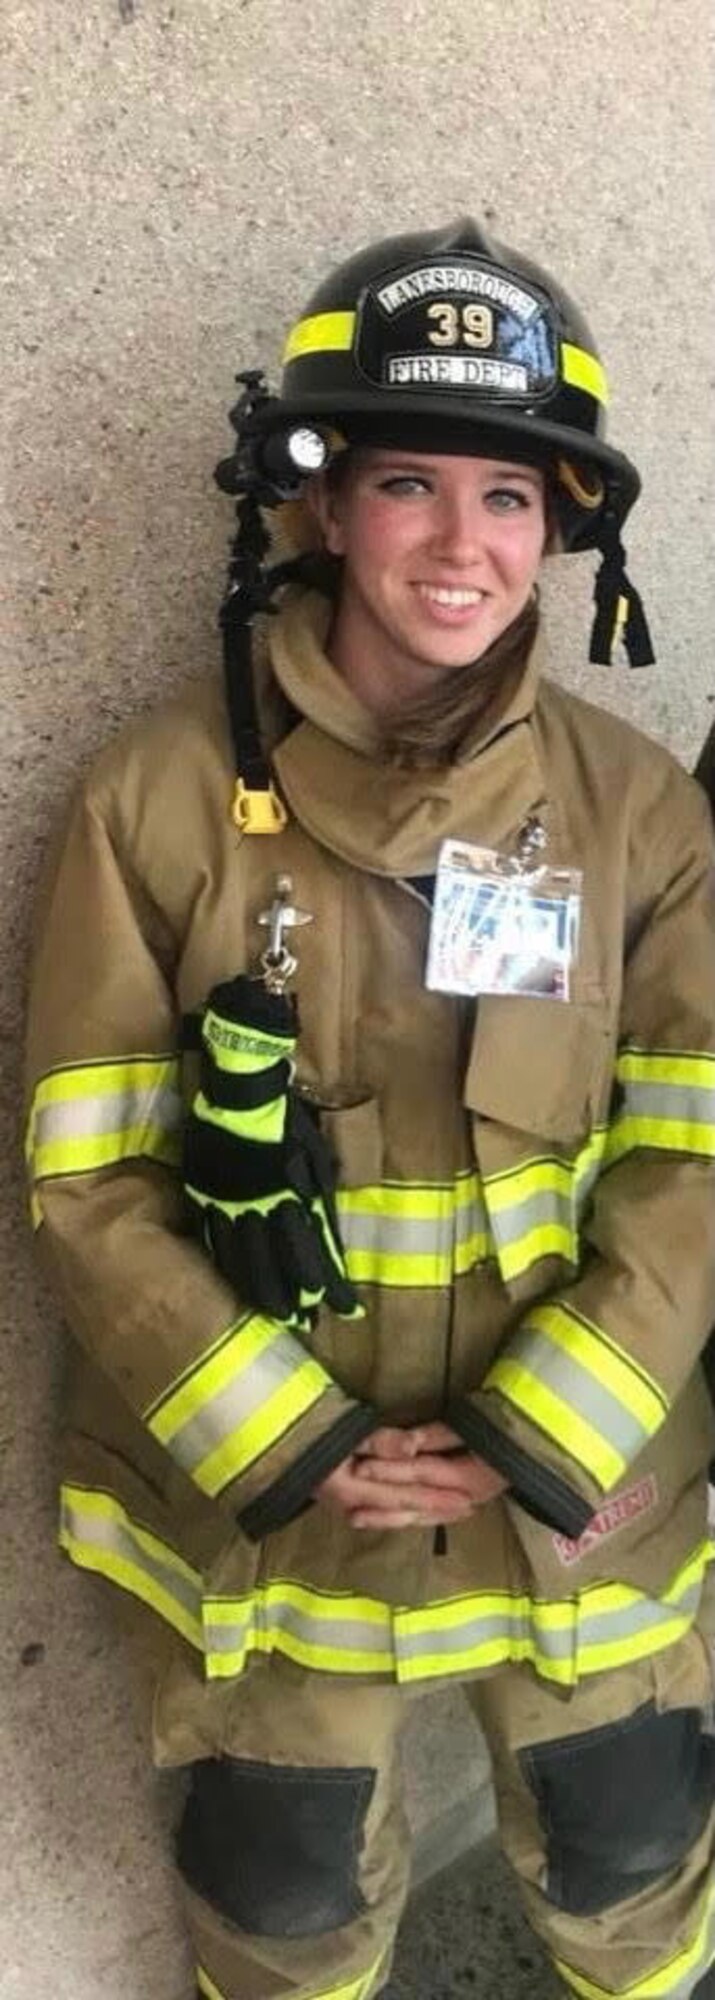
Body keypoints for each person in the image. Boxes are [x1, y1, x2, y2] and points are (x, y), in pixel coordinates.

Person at [25, 218, 715, 2000]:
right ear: (324, 504)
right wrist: (304, 1445)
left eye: (508, 497)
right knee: (278, 1893)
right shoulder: (158, 800)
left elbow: (691, 1150)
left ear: (562, 528)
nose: (461, 544)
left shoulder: (644, 818)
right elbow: (90, 1181)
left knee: (638, 1842)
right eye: (411, 482)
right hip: (274, 1504)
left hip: (573, 1493)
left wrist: (549, 1426)